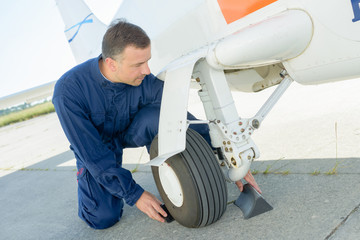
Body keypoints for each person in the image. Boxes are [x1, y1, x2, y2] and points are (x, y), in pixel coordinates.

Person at [53, 19, 261, 229]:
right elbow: (93, 154)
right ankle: (88, 189)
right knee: (103, 218)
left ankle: (173, 173)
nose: (146, 70)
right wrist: (136, 195)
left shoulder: (145, 81)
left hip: (129, 132)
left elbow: (184, 120)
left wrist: (228, 155)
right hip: (96, 145)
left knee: (158, 116)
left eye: (147, 61)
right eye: (137, 65)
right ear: (111, 64)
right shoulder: (68, 92)